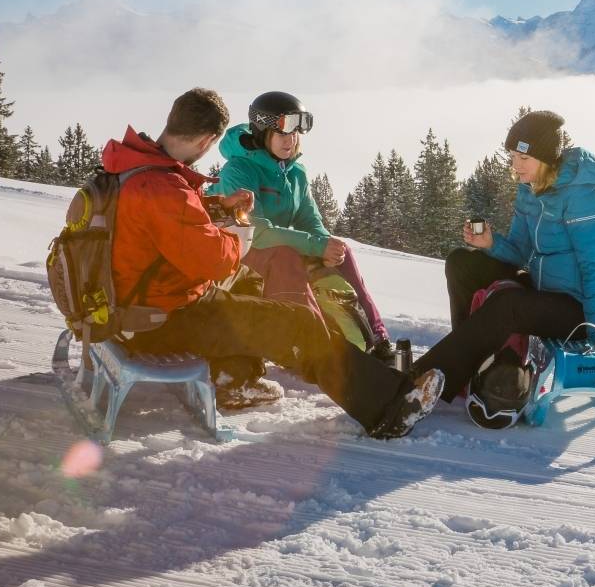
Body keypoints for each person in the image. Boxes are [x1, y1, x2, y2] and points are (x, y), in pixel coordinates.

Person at [101, 87, 441, 439]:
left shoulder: (134, 169)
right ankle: (388, 408)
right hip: (162, 318)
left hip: (140, 307)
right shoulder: (163, 187)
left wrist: (218, 208)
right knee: (298, 322)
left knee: (250, 291)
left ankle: (234, 376)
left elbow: (166, 224)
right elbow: (216, 262)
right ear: (207, 140)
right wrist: (237, 234)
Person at [412, 111, 595, 423]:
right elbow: (520, 251)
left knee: (508, 305)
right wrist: (491, 244)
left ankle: (426, 377)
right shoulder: (530, 189)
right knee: (461, 262)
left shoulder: (581, 197)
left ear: (546, 158)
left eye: (523, 157)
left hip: (572, 309)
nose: (515, 166)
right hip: (537, 290)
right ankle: (470, 363)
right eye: (512, 156)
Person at [207, 91, 394, 366]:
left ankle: (378, 338)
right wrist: (316, 246)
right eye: (282, 133)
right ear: (262, 132)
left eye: (295, 133)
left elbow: (309, 220)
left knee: (342, 252)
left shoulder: (296, 173)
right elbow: (257, 232)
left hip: (275, 250)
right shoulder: (239, 169)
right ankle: (309, 344)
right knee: (287, 254)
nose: (290, 140)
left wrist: (327, 247)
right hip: (238, 253)